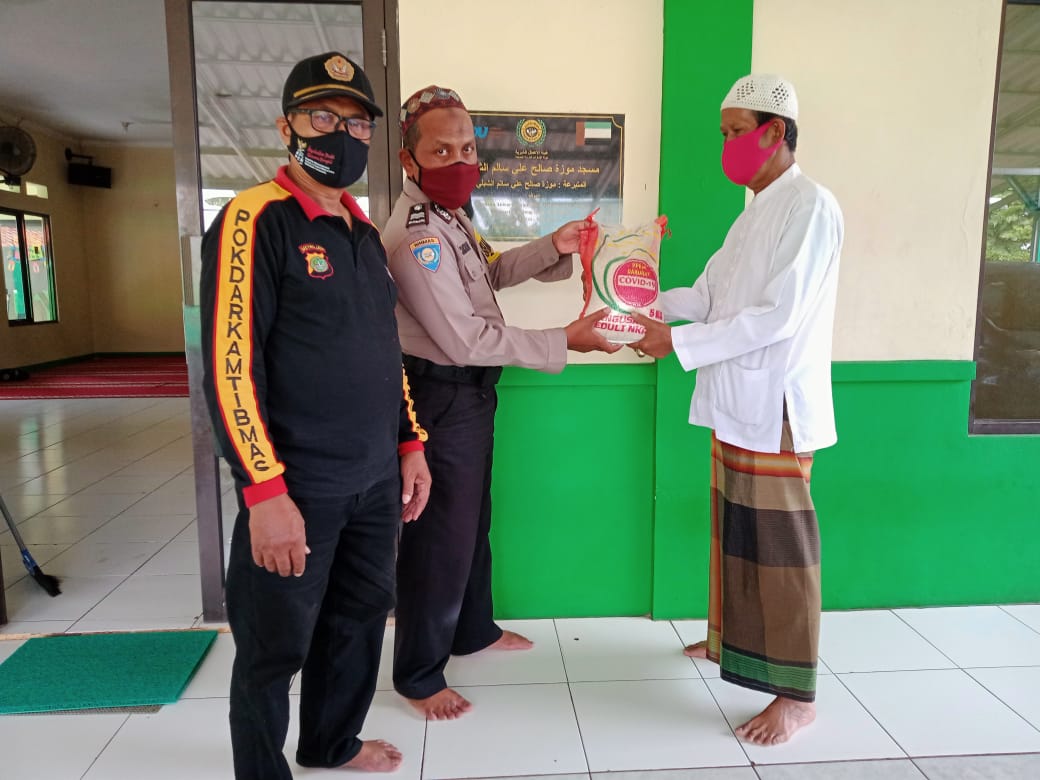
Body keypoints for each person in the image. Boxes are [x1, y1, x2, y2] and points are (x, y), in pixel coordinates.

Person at [199, 52, 431, 778]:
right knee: (273, 648)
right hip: (297, 486)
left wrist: (410, 443)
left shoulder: (362, 234)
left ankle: (331, 743)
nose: (342, 133)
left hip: (373, 483)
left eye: (357, 123)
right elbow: (230, 368)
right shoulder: (253, 219)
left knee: (357, 623)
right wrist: (264, 492)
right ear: (287, 128)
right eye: (323, 116)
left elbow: (385, 352)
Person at [382, 85, 619, 720]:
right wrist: (564, 339)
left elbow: (487, 275)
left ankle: (472, 630)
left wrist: (553, 246)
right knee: (438, 536)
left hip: (469, 396)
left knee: (470, 523)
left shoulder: (450, 217)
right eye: (442, 150)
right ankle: (419, 674)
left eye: (467, 148)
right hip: (439, 395)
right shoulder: (417, 238)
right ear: (409, 159)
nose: (460, 160)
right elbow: (465, 339)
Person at [631, 74, 844, 746]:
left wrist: (676, 343)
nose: (726, 145)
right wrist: (635, 302)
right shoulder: (752, 212)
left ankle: (796, 698)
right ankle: (729, 642)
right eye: (723, 133)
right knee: (736, 535)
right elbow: (707, 296)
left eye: (735, 132)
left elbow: (778, 316)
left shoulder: (810, 207)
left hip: (775, 405)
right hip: (737, 403)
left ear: (774, 132)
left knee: (781, 553)